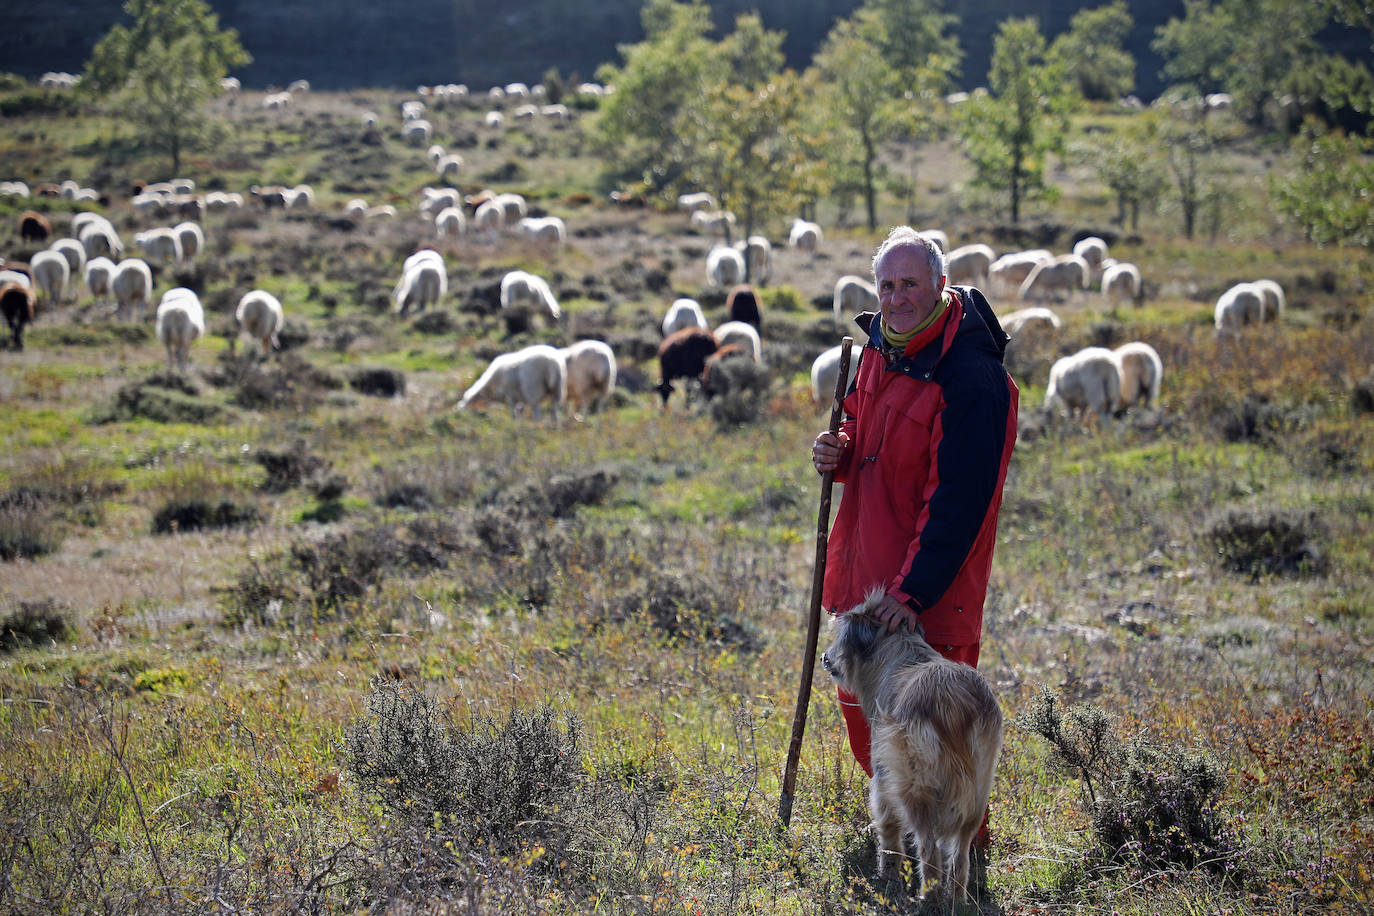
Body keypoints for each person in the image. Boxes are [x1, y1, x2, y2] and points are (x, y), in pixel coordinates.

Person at [811, 226, 1018, 789]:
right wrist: (841, 447)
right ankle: (895, 848)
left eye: (909, 284)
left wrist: (912, 593)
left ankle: (961, 870)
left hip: (926, 593)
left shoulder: (970, 378)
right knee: (867, 723)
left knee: (936, 742)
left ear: (940, 285)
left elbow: (960, 498)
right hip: (866, 577)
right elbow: (858, 419)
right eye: (886, 285)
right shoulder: (882, 345)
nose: (896, 297)